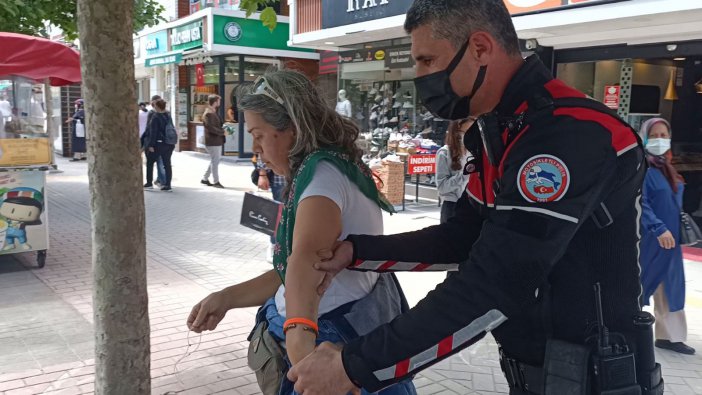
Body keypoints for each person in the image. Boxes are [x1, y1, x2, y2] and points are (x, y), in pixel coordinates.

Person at [288, 1, 661, 394]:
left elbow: (497, 281)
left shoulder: (567, 135)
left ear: (481, 48)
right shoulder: (501, 128)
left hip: (599, 378)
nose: (420, 77)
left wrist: (353, 364)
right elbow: (463, 238)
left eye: (427, 60)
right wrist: (357, 252)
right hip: (542, 371)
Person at [186, 70, 415, 395]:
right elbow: (294, 271)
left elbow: (305, 275)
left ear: (291, 127)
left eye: (260, 135)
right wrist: (227, 298)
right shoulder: (333, 167)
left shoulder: (322, 180)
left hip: (329, 336)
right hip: (338, 330)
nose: (257, 148)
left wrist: (306, 365)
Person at [639, 117, 695, 355]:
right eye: (655, 135)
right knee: (640, 284)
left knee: (671, 286)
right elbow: (641, 203)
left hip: (670, 241)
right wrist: (658, 227)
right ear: (644, 137)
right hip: (651, 239)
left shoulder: (667, 168)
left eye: (664, 136)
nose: (660, 140)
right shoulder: (641, 168)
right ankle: (625, 328)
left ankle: (669, 336)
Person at [435, 118, 472, 223]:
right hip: (452, 206)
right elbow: (442, 187)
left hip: (472, 206)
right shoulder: (444, 153)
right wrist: (464, 176)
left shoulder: (474, 151)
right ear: (459, 127)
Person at [144, 99, 175, 191]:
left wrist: (150, 145)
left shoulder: (155, 117)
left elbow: (153, 132)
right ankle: (168, 185)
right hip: (169, 143)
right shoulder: (168, 116)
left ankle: (149, 183)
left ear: (156, 106)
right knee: (167, 164)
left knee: (149, 162)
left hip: (158, 143)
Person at [141, 95, 167, 187]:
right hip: (164, 143)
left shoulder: (153, 115)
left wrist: (148, 144)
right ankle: (163, 181)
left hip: (153, 142)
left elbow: (151, 130)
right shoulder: (166, 114)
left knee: (150, 163)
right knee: (162, 163)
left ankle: (149, 183)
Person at [201, 95, 225, 188]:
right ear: (215, 102)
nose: (219, 103)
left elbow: (217, 125)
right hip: (212, 141)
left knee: (214, 161)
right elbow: (211, 128)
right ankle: (216, 182)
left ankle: (205, 179)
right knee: (215, 161)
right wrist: (222, 132)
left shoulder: (213, 112)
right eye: (218, 101)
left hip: (216, 140)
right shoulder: (208, 113)